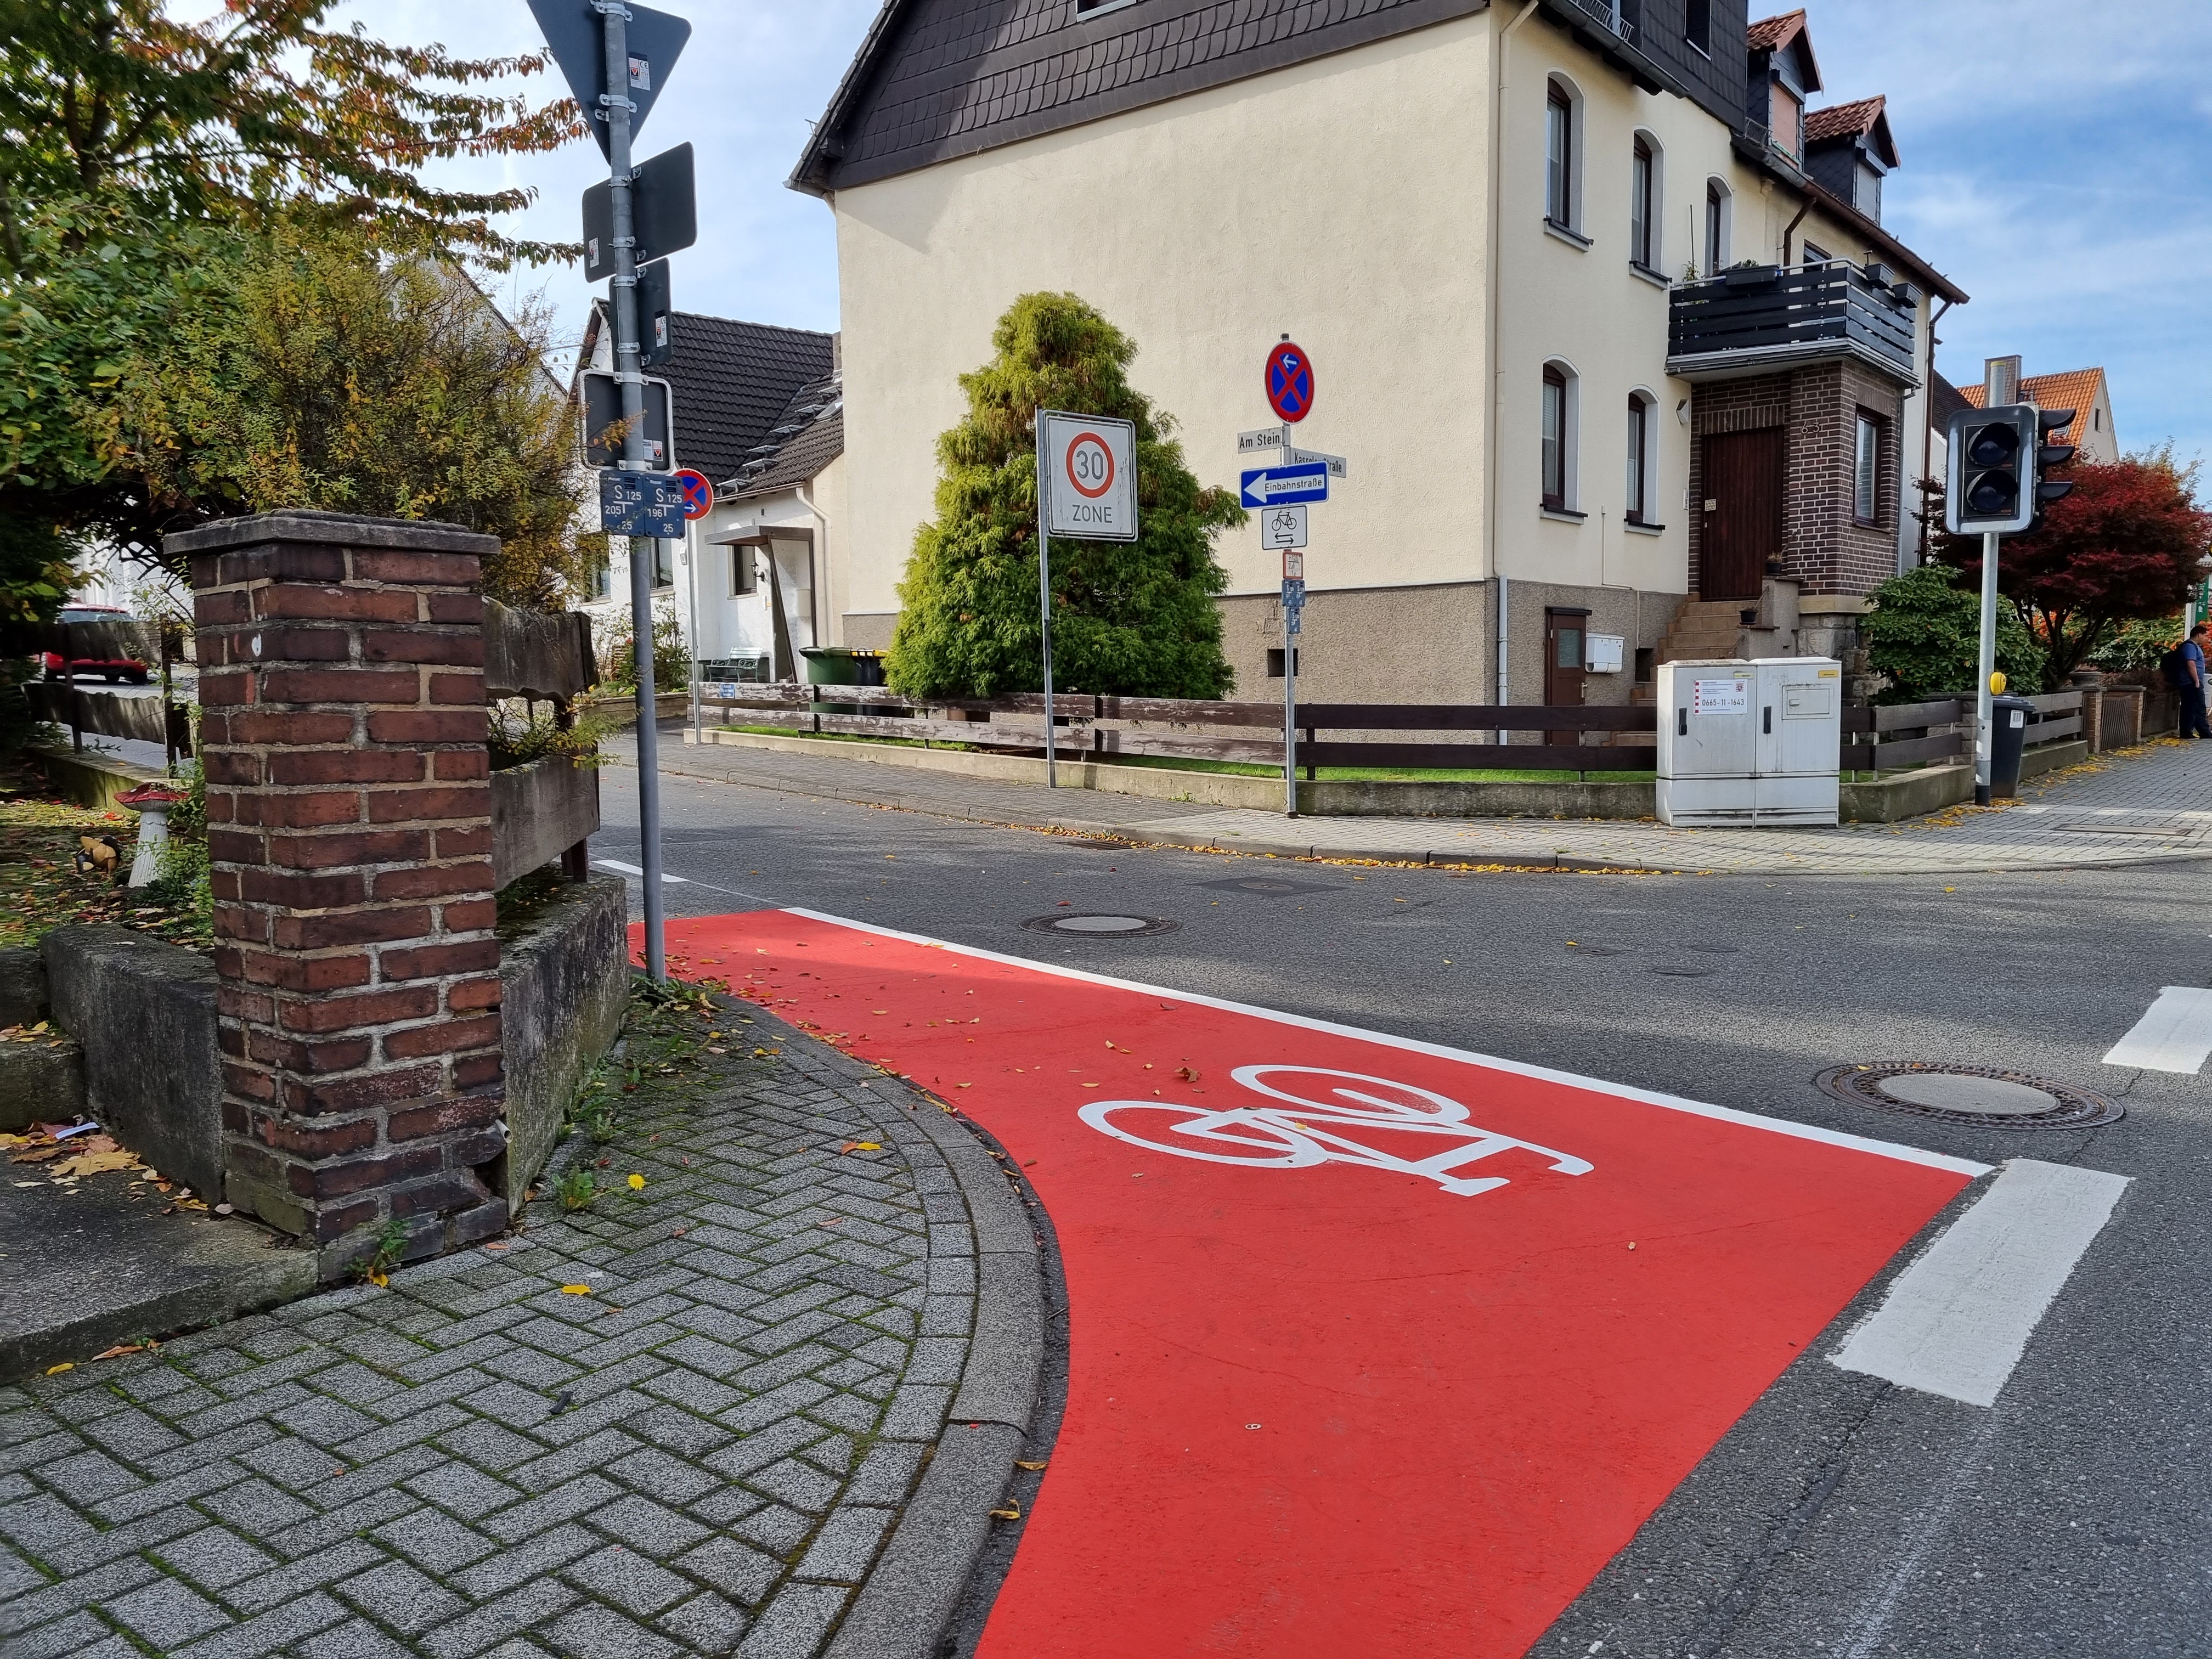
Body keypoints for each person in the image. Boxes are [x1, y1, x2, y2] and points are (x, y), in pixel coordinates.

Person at [2182, 622, 2212, 740]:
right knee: (2195, 707)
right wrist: (2196, 681)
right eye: (2205, 636)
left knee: (2197, 706)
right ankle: (2190, 732)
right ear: (2199, 635)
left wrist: (2209, 660)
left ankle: (2203, 732)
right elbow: (2191, 663)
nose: (2207, 639)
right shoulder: (2190, 646)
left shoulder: (2196, 647)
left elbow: (2198, 662)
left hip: (2193, 682)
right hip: (2190, 683)